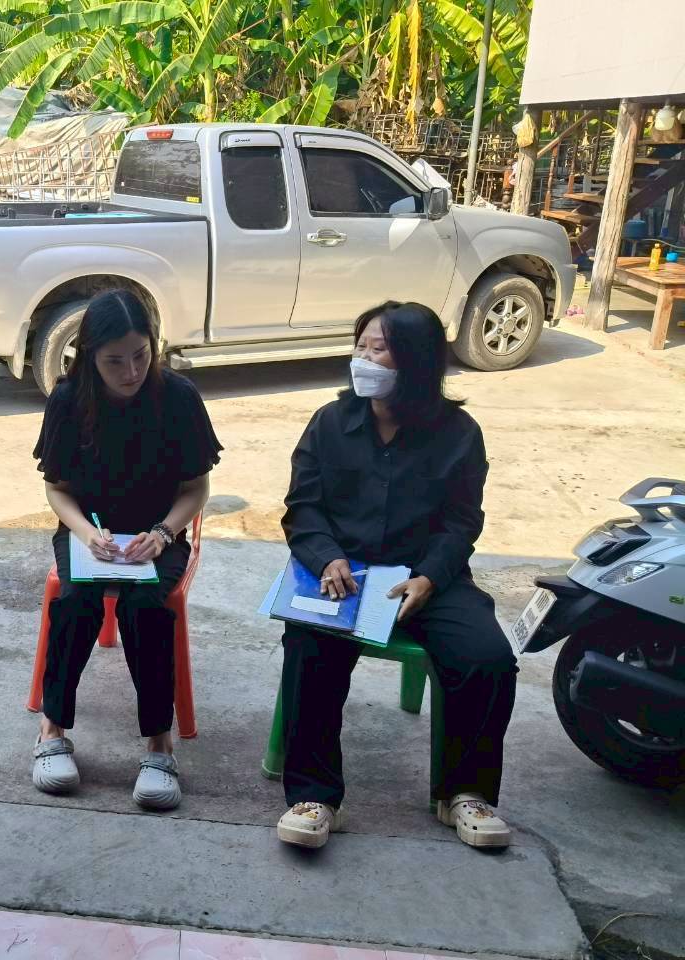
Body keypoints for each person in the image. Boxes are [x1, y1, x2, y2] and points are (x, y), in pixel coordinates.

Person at [276, 301, 517, 851]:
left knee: (487, 658)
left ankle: (465, 793)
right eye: (359, 346)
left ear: (415, 360)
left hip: (427, 577)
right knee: (309, 645)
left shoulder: (459, 433)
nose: (362, 359)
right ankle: (314, 796)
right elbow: (303, 507)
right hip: (346, 574)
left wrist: (429, 577)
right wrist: (327, 558)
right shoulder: (330, 423)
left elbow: (462, 522)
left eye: (378, 349)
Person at [30, 290, 222, 811]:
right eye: (114, 360)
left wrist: (162, 533)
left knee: (146, 605)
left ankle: (159, 744)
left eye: (141, 355)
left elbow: (196, 488)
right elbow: (57, 489)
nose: (132, 371)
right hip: (88, 532)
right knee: (75, 601)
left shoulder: (177, 397)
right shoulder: (69, 401)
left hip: (159, 532)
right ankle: (52, 728)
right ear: (90, 355)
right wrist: (85, 533)